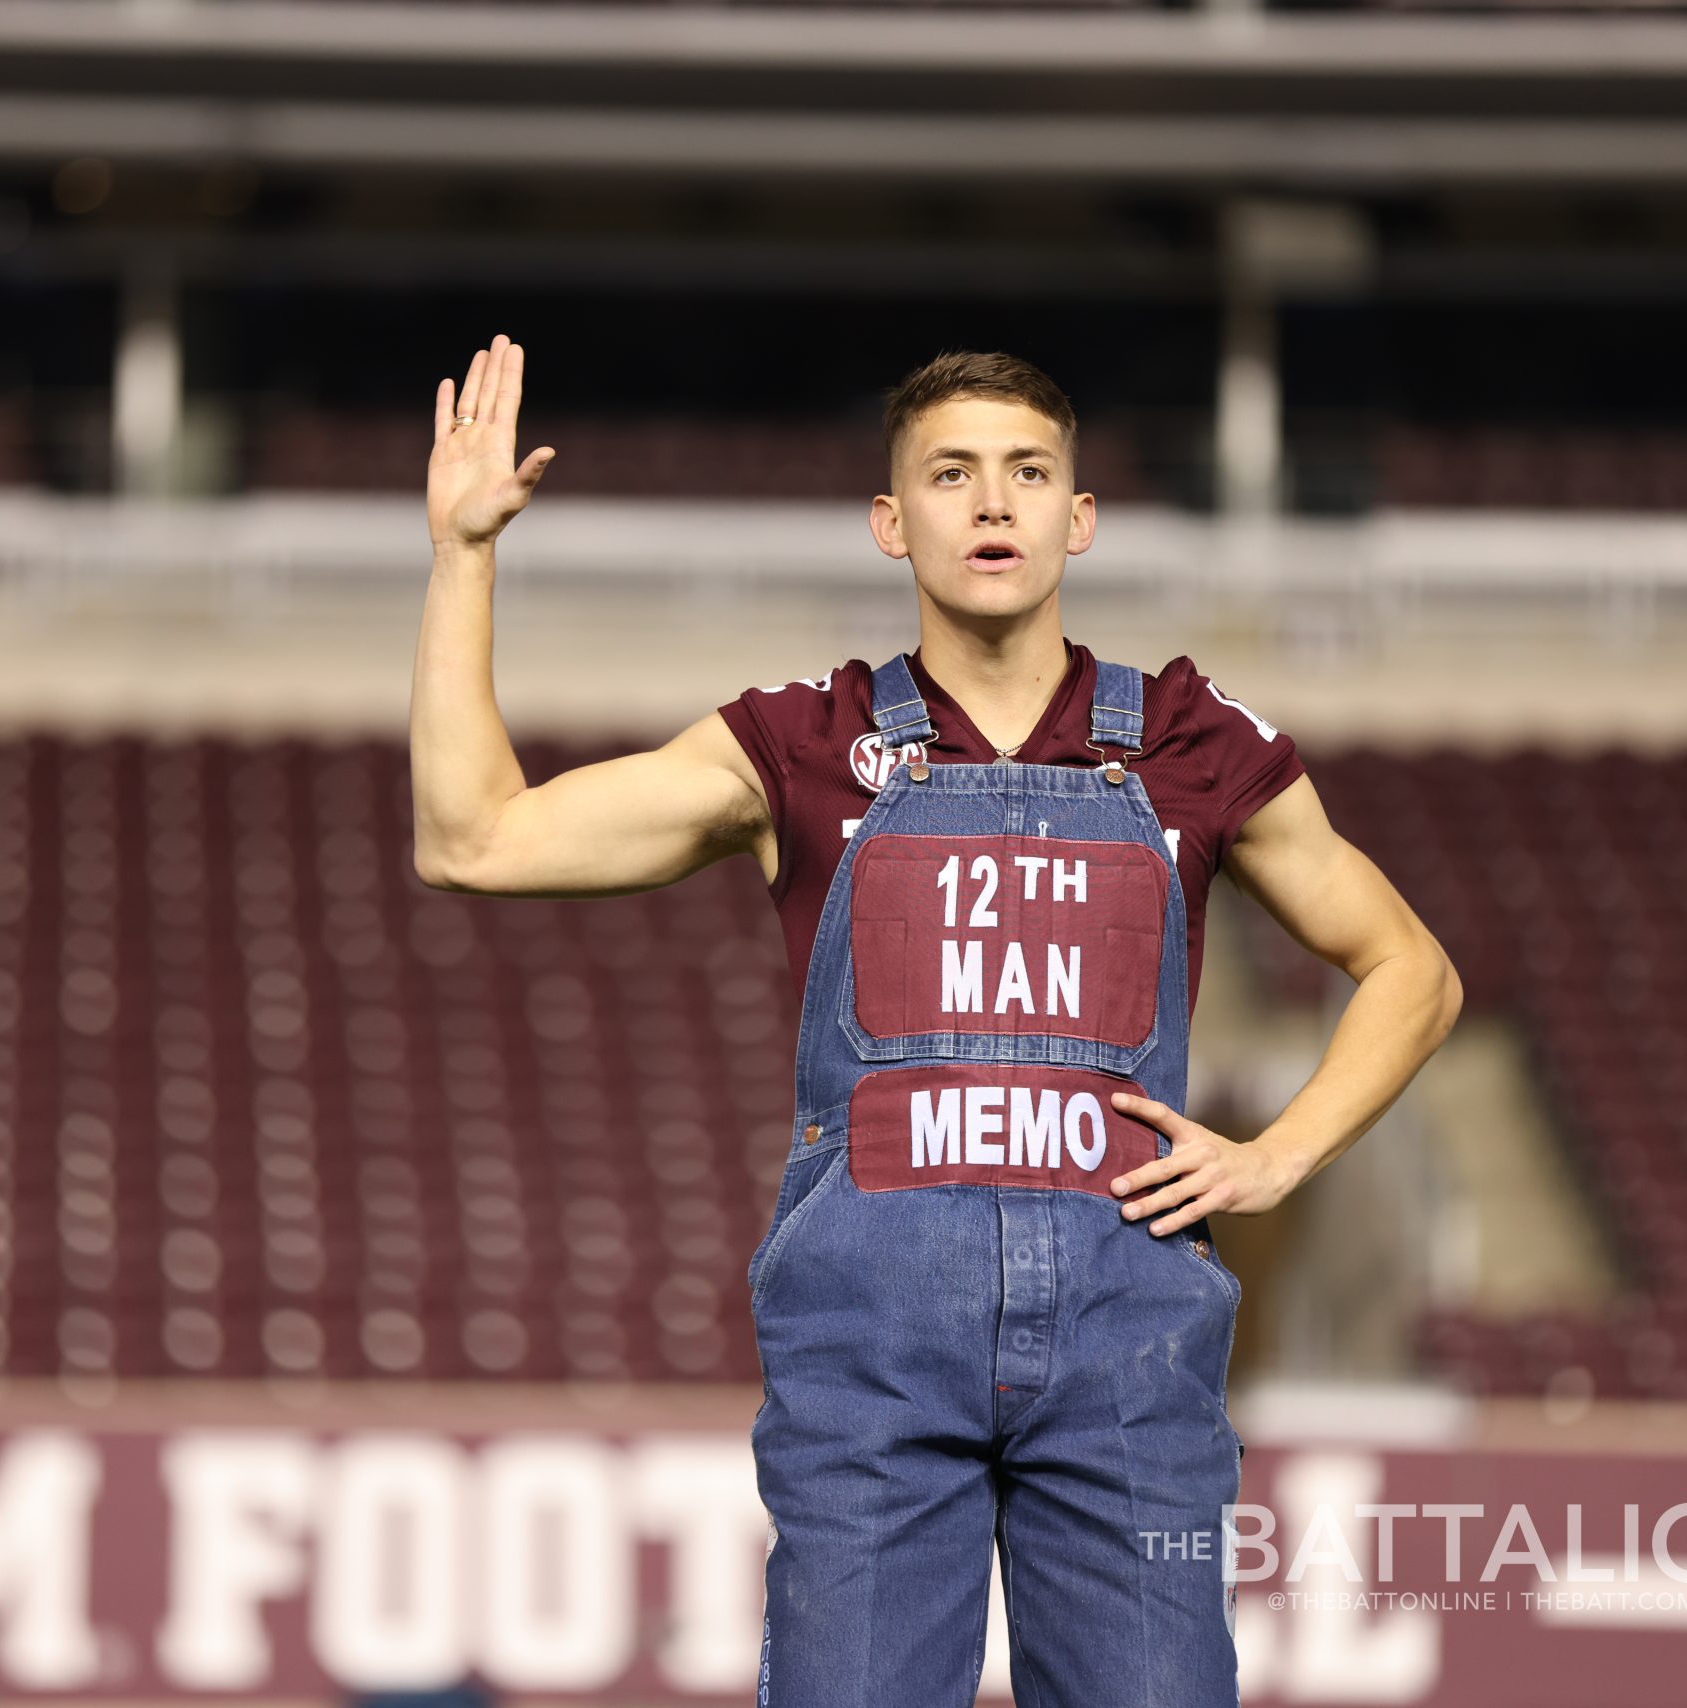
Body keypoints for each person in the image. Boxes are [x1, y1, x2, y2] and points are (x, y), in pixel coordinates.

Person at [409, 334, 1462, 1705]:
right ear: (891, 524)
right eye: (952, 475)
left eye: (1030, 474)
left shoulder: (1195, 742)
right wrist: (462, 553)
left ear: (1079, 519)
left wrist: (1279, 1156)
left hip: (1127, 1350)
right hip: (870, 1360)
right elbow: (474, 839)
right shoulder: (796, 741)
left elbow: (1413, 971)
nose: (993, 503)